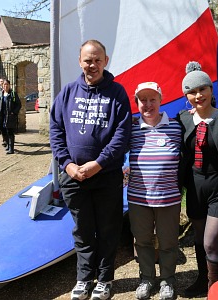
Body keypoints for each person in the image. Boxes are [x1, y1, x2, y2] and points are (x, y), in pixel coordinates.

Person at [49, 40, 132, 300]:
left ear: (105, 61)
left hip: (106, 175)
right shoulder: (67, 93)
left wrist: (99, 164)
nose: (92, 65)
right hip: (74, 177)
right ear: (79, 61)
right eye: (87, 60)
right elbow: (55, 131)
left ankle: (105, 279)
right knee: (83, 230)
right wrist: (68, 164)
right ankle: (84, 278)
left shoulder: (117, 93)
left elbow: (121, 135)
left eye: (97, 60)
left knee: (108, 229)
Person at [176, 62, 218, 297]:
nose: (198, 95)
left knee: (211, 243)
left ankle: (216, 288)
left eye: (202, 89)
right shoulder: (182, 119)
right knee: (200, 240)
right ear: (186, 96)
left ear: (211, 90)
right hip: (194, 187)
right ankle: (202, 282)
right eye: (192, 92)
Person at [128, 82, 182, 300]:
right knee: (142, 241)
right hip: (138, 198)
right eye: (143, 100)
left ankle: (168, 280)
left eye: (152, 99)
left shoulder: (177, 127)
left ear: (161, 100)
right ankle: (147, 278)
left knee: (168, 242)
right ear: (137, 103)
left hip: (168, 199)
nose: (148, 104)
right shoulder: (130, 129)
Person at [0, 79, 21, 154]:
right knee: (3, 131)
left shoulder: (13, 94)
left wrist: (14, 112)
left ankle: (11, 149)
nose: (6, 86)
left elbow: (18, 105)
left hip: (10, 116)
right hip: (1, 116)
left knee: (10, 132)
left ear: (9, 85)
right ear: (2, 86)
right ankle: (8, 145)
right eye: (4, 85)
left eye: (7, 84)